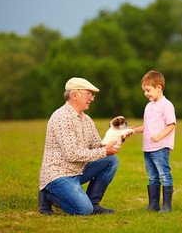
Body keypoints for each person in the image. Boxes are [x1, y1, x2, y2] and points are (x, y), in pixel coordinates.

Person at [38, 77, 132, 216]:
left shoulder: (87, 120)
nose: (92, 98)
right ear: (75, 95)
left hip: (77, 170)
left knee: (111, 161)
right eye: (88, 94)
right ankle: (47, 196)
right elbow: (72, 154)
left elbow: (98, 146)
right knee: (83, 210)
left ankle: (94, 204)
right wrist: (104, 151)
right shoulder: (61, 117)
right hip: (58, 175)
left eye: (91, 95)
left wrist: (118, 137)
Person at [132, 70, 176, 213]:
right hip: (148, 148)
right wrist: (133, 130)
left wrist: (159, 137)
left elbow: (171, 125)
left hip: (160, 147)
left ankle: (167, 206)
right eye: (144, 91)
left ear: (159, 87)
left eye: (148, 90)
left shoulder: (166, 105)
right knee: (152, 177)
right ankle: (153, 205)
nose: (146, 93)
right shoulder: (149, 106)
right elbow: (147, 126)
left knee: (164, 175)